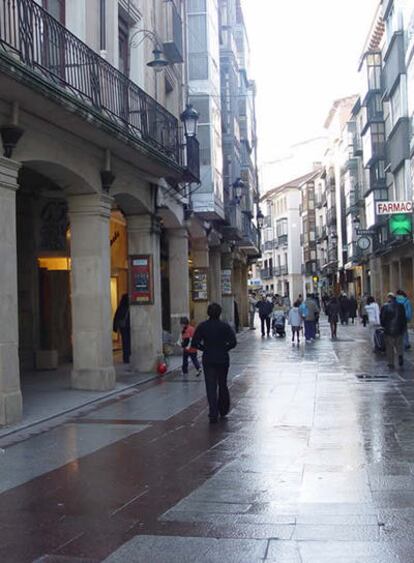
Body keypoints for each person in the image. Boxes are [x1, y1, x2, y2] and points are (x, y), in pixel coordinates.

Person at [192, 303, 237, 423]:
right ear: (220, 313)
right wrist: (225, 348)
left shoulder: (203, 326)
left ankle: (213, 413)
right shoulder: (225, 326)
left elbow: (194, 343)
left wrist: (204, 348)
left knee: (210, 386)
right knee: (222, 383)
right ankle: (223, 409)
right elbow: (233, 342)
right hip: (222, 358)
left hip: (209, 358)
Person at [380, 292, 407, 369]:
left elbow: (382, 319)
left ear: (389, 298)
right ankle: (400, 355)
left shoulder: (385, 307)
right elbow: (403, 319)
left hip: (389, 330)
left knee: (389, 347)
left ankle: (391, 362)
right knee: (399, 345)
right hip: (399, 330)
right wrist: (403, 328)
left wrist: (384, 326)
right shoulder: (401, 306)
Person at [113, 293, 131, 364]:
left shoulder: (121, 307)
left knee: (124, 342)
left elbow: (116, 317)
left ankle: (125, 357)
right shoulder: (129, 307)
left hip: (123, 327)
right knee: (129, 342)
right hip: (128, 327)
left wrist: (115, 327)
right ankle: (128, 356)